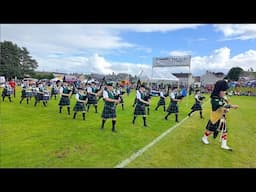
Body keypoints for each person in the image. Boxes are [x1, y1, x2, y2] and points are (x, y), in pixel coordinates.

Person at [201, 80, 239, 151]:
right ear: (218, 90)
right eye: (223, 91)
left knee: (224, 130)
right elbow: (221, 105)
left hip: (222, 117)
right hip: (215, 117)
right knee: (210, 130)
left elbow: (224, 105)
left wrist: (226, 109)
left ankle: (224, 144)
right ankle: (204, 138)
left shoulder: (222, 97)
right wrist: (231, 106)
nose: (224, 92)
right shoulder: (214, 98)